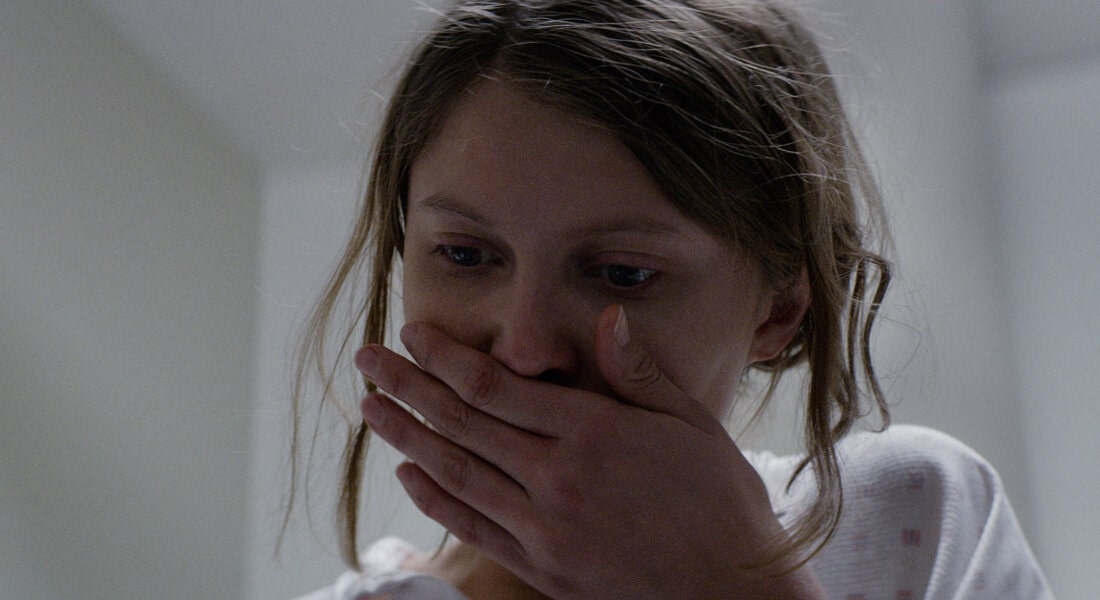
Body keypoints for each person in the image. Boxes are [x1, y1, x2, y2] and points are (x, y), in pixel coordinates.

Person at [290, 1, 1052, 598]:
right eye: (464, 255)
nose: (524, 350)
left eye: (623, 273)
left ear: (778, 310)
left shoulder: (912, 515)